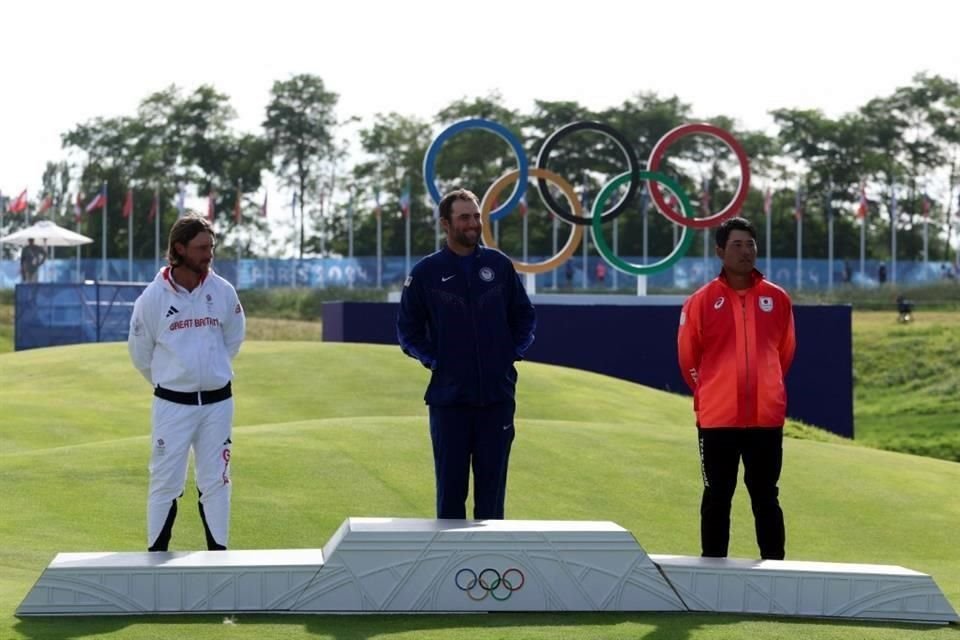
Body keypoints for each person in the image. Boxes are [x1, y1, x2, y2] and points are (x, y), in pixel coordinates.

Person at [397, 188, 536, 520]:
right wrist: (437, 361)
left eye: (476, 216)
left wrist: (509, 353)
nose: (474, 223)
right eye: (465, 217)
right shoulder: (426, 273)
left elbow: (525, 317)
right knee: (450, 497)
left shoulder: (499, 266)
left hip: (497, 399)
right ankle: (449, 571)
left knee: (492, 500)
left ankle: (490, 571)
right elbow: (408, 331)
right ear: (446, 224)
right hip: (449, 403)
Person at [677, 217, 796, 560]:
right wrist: (714, 390)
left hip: (765, 419)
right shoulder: (701, 301)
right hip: (718, 420)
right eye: (737, 245)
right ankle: (713, 573)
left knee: (766, 496)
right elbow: (688, 359)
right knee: (717, 496)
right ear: (720, 251)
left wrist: (766, 386)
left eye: (751, 245)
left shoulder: (778, 299)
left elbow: (784, 353)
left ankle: (776, 572)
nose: (746, 252)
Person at [128, 214, 246, 551]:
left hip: (218, 404)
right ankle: (156, 559)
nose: (209, 254)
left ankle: (219, 558)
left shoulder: (223, 291)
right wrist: (174, 382)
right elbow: (141, 355)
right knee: (165, 483)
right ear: (179, 249)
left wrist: (209, 373)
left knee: (217, 482)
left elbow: (233, 340)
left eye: (211, 246)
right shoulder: (152, 299)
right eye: (201, 248)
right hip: (172, 406)